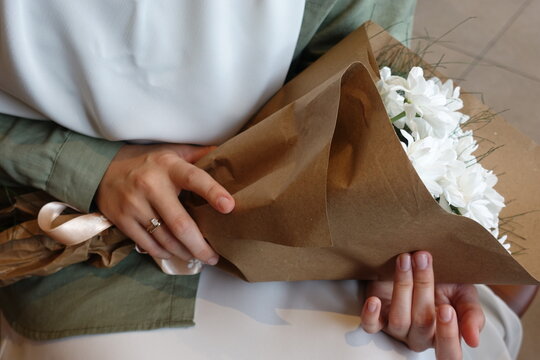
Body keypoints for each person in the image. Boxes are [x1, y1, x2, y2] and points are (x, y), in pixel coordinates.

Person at [0, 0, 524, 359]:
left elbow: (365, 84)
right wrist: (94, 167)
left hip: (300, 232)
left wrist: (398, 250)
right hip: (86, 242)